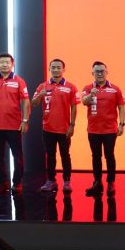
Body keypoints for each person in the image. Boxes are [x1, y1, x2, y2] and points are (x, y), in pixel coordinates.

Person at [0, 53, 30, 195]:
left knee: (17, 156)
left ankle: (17, 183)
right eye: (2, 62)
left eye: (7, 62)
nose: (4, 65)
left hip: (14, 125)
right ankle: (2, 183)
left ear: (12, 64)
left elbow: (26, 101)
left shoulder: (19, 81)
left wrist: (25, 120)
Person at [32, 59, 79, 193]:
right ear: (49, 69)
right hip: (48, 128)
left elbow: (74, 107)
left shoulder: (71, 87)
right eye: (53, 67)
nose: (56, 70)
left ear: (63, 69)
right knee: (50, 155)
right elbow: (34, 103)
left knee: (65, 155)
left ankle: (67, 181)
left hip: (64, 129)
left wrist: (72, 125)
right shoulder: (42, 86)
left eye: (59, 67)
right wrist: (39, 96)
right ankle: (51, 181)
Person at [81, 61, 125, 197]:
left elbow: (121, 107)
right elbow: (84, 102)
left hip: (110, 130)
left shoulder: (115, 89)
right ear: (92, 73)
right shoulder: (88, 88)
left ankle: (111, 182)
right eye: (97, 71)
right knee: (96, 156)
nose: (99, 73)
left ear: (107, 72)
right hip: (93, 129)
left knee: (109, 156)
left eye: (102, 71)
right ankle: (97, 182)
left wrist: (121, 124)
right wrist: (91, 94)